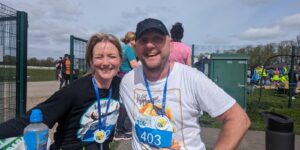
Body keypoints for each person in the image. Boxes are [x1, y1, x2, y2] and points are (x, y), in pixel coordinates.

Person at [120, 18, 251, 149]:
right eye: (143, 40)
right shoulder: (128, 82)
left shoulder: (192, 78)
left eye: (157, 39)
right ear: (136, 47)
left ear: (170, 44)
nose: (150, 45)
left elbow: (239, 119)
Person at [0, 33, 123, 150]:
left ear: (120, 60)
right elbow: (28, 121)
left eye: (112, 56)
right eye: (99, 57)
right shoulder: (75, 91)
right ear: (91, 61)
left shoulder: (121, 86)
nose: (106, 63)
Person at [114, 31, 138, 141]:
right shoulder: (129, 49)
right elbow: (134, 65)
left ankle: (121, 128)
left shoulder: (122, 48)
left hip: (120, 76)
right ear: (131, 40)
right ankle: (119, 131)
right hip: (127, 77)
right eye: (135, 40)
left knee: (122, 102)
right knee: (124, 104)